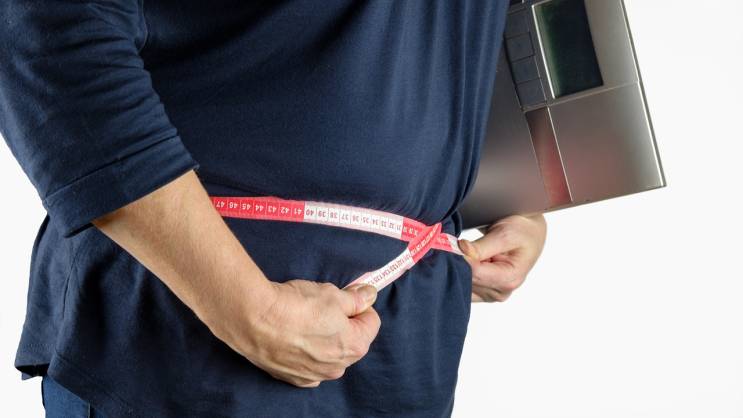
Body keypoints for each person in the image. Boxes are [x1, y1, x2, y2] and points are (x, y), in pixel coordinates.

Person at [0, 1, 547, 417]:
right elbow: (45, 24)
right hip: (183, 341)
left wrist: (517, 189)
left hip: (412, 350)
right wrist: (250, 311)